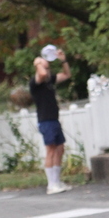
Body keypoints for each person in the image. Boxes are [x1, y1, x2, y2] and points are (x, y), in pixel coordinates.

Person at [30, 44, 72, 195]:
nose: (48, 71)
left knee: (60, 148)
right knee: (51, 150)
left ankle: (57, 181)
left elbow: (66, 75)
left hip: (54, 119)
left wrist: (63, 60)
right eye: (46, 68)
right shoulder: (36, 83)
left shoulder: (49, 81)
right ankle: (51, 184)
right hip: (45, 121)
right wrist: (38, 63)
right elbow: (41, 74)